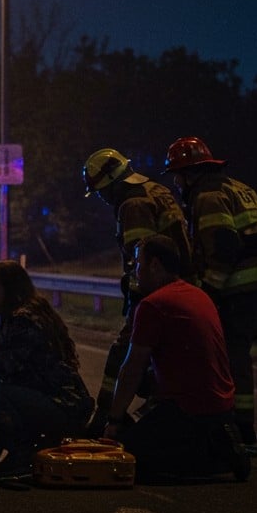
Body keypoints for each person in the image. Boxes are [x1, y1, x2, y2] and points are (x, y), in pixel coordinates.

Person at [165, 136, 257, 446]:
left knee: (233, 352)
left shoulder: (207, 196)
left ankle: (241, 428)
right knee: (235, 349)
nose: (177, 185)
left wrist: (208, 292)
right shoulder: (237, 186)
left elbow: (223, 247)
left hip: (244, 282)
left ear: (189, 174)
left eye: (177, 177)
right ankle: (233, 421)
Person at [103, 235, 249, 481]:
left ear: (156, 265)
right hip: (221, 407)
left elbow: (132, 369)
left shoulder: (154, 305)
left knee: (127, 457)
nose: (135, 271)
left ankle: (214, 460)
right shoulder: (198, 295)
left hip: (188, 409)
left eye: (138, 263)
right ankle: (219, 438)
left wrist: (114, 421)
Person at [82, 148, 192, 432]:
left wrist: (135, 300)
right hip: (182, 288)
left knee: (124, 352)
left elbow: (142, 261)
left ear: (112, 181)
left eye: (101, 191)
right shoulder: (155, 189)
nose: (102, 198)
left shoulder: (132, 204)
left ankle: (105, 416)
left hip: (156, 293)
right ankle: (159, 410)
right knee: (163, 357)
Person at [0, 260, 94, 456]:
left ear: (11, 289)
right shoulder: (14, 317)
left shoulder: (24, 321)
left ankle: (22, 453)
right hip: (54, 401)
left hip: (62, 405)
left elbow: (4, 366)